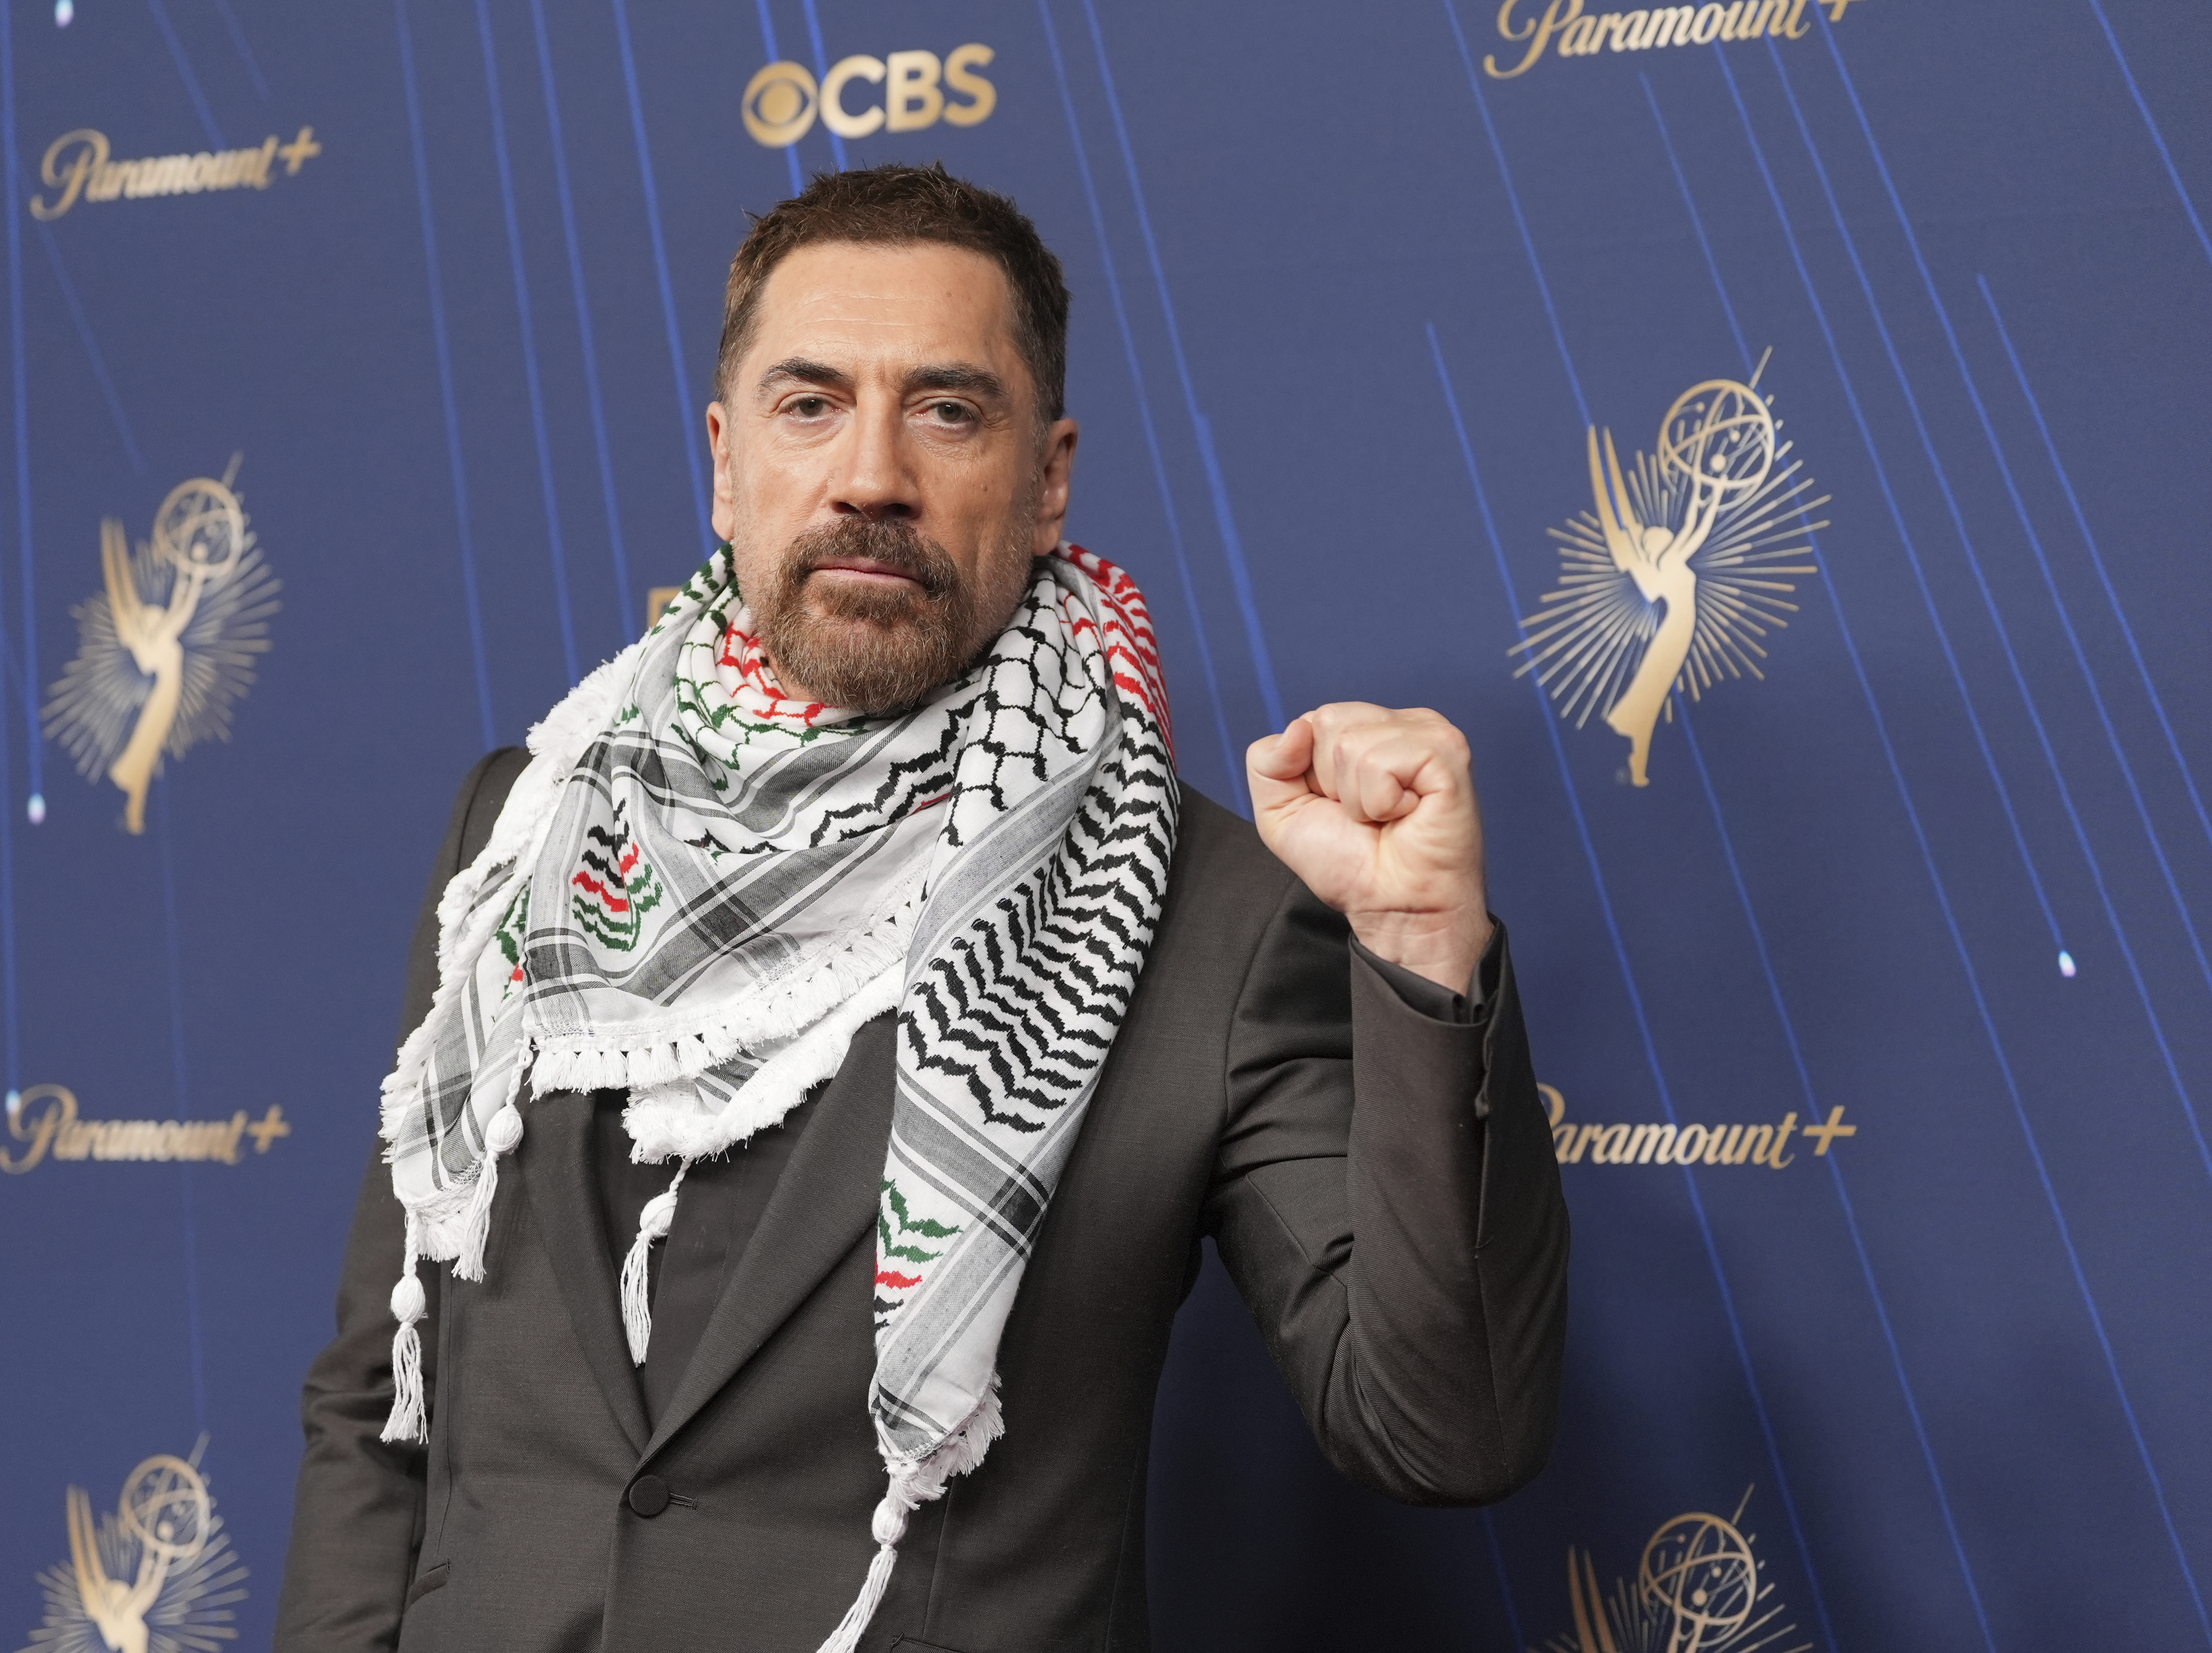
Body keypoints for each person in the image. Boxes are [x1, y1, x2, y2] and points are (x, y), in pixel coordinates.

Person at [276, 162, 1566, 1653]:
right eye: (808, 403)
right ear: (725, 459)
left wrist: (1417, 954)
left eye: (947, 410)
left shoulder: (1203, 910)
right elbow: (383, 1392)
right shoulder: (523, 826)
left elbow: (1442, 1432)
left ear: (1050, 473)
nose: (871, 474)